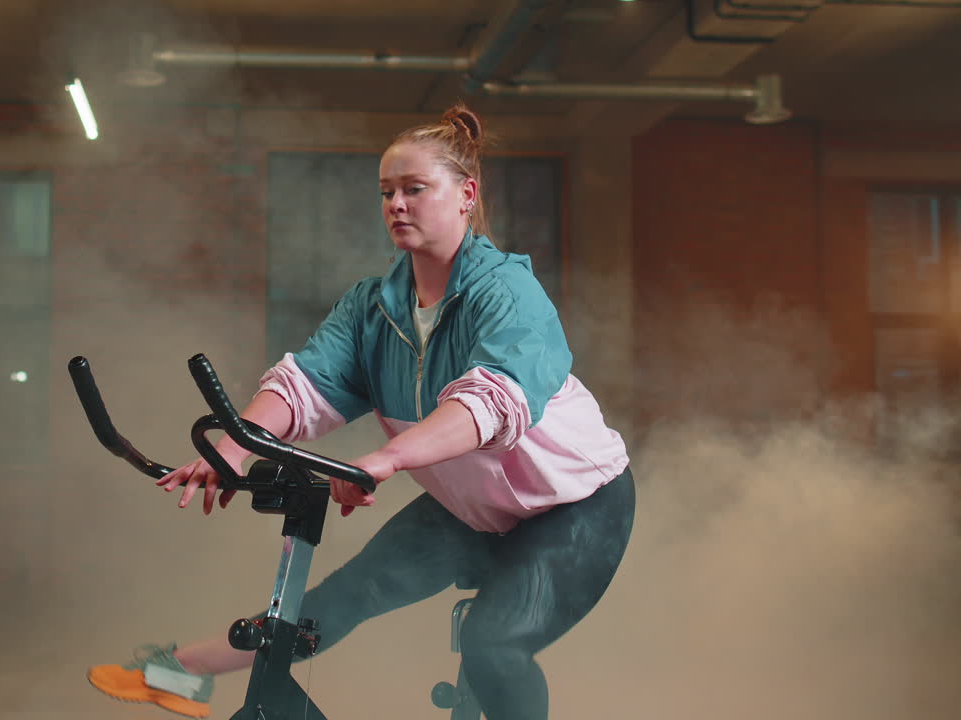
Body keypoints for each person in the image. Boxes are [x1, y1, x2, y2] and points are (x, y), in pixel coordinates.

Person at [87, 103, 635, 720]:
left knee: (494, 646)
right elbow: (303, 388)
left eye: (414, 189)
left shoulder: (504, 292)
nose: (396, 204)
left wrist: (386, 459)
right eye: (387, 192)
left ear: (466, 195)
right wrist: (234, 447)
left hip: (573, 508)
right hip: (473, 508)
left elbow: (490, 403)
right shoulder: (373, 308)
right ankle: (181, 671)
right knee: (337, 601)